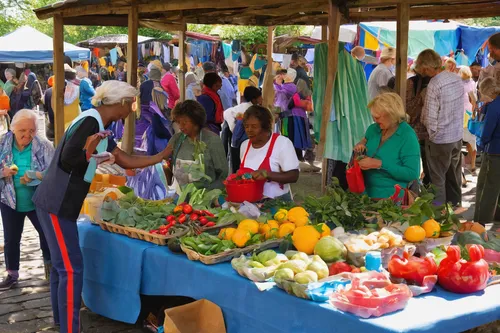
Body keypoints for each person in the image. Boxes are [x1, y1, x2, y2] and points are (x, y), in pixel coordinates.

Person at [33, 81, 173, 333]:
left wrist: (161, 156)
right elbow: (68, 159)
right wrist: (90, 153)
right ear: (119, 103)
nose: (131, 110)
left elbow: (125, 159)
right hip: (58, 201)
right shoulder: (90, 123)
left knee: (60, 266)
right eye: (130, 104)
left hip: (55, 202)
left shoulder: (99, 125)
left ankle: (60, 321)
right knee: (71, 269)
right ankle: (69, 328)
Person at [0, 109, 54, 290]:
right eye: (22, 131)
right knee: (11, 238)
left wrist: (36, 176)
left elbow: (54, 172)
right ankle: (12, 274)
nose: (27, 135)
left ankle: (50, 271)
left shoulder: (44, 145)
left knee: (47, 235)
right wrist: (3, 172)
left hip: (38, 200)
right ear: (13, 129)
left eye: (31, 131)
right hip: (9, 200)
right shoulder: (2, 143)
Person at [418, 49, 464, 207]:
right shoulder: (455, 78)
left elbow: (430, 118)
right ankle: (455, 207)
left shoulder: (434, 83)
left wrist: (432, 136)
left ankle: (439, 214)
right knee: (454, 176)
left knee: (438, 179)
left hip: (440, 139)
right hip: (457, 136)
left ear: (426, 67)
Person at [353, 93, 420, 199]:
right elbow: (365, 140)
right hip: (365, 195)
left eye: (378, 117)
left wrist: (379, 164)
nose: (374, 120)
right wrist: (360, 146)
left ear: (392, 114)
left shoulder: (407, 136)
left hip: (393, 199)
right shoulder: (373, 129)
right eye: (373, 116)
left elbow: (412, 174)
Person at [239, 105, 299, 200]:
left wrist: (267, 174)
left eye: (254, 126)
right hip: (249, 202)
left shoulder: (282, 143)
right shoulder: (244, 146)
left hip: (277, 203)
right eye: (246, 126)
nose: (249, 130)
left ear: (265, 128)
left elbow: (294, 176)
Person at [165, 100, 227, 191]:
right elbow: (166, 164)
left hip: (205, 198)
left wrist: (208, 194)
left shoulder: (213, 141)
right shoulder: (176, 140)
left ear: (196, 121)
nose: (181, 126)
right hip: (179, 197)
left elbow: (223, 176)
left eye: (185, 122)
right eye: (178, 122)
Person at [474, 77, 500, 225]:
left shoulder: (494, 106)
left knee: (488, 187)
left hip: (495, 150)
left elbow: (487, 130)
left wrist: (482, 144)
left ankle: (481, 221)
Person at [225, 87, 263, 173]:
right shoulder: (249, 110)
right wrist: (233, 129)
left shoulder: (249, 108)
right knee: (241, 165)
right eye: (260, 97)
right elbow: (227, 114)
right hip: (240, 141)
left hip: (238, 141)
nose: (262, 98)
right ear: (254, 99)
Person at [405, 68, 431, 185]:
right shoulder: (412, 83)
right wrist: (420, 97)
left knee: (430, 169)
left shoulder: (436, 82)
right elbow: (408, 110)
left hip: (431, 133)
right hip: (415, 132)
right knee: (413, 165)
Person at [282, 78, 313, 162]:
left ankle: (296, 156)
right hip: (303, 117)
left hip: (294, 117)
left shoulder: (296, 95)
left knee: (295, 137)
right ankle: (301, 156)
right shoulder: (308, 95)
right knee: (302, 136)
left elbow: (290, 106)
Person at [460, 66, 478, 175]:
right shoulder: (471, 84)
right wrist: (473, 112)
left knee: (461, 142)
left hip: (459, 115)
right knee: (471, 141)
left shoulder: (457, 84)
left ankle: (463, 168)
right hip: (467, 114)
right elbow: (474, 100)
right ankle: (473, 165)